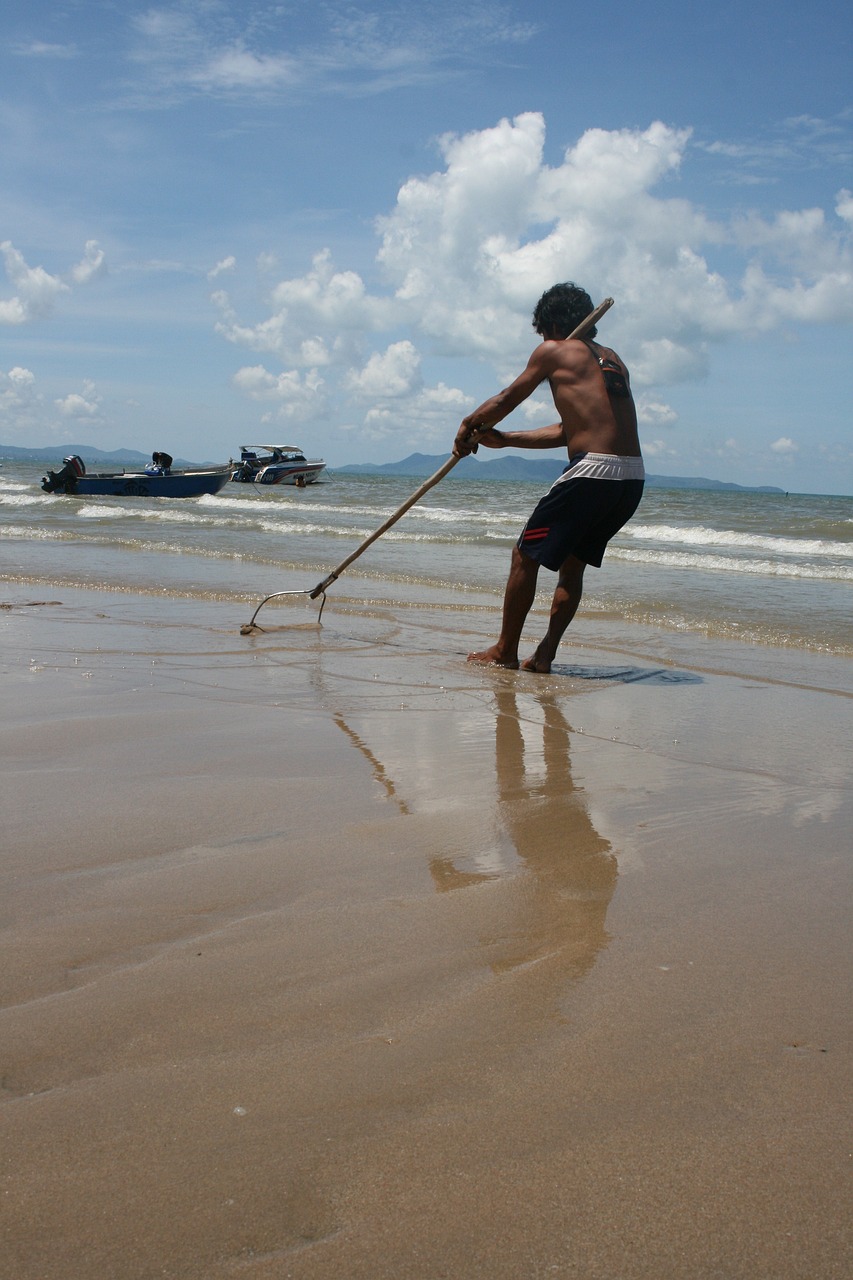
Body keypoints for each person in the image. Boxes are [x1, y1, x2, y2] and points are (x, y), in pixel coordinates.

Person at [453, 282, 644, 672]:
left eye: (542, 332)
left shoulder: (554, 351)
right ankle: (544, 656)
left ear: (553, 324)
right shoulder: (613, 361)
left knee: (525, 555)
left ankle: (505, 651)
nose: (541, 340)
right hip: (630, 480)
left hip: (591, 473)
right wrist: (504, 440)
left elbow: (508, 398)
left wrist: (469, 425)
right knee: (572, 566)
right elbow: (568, 431)